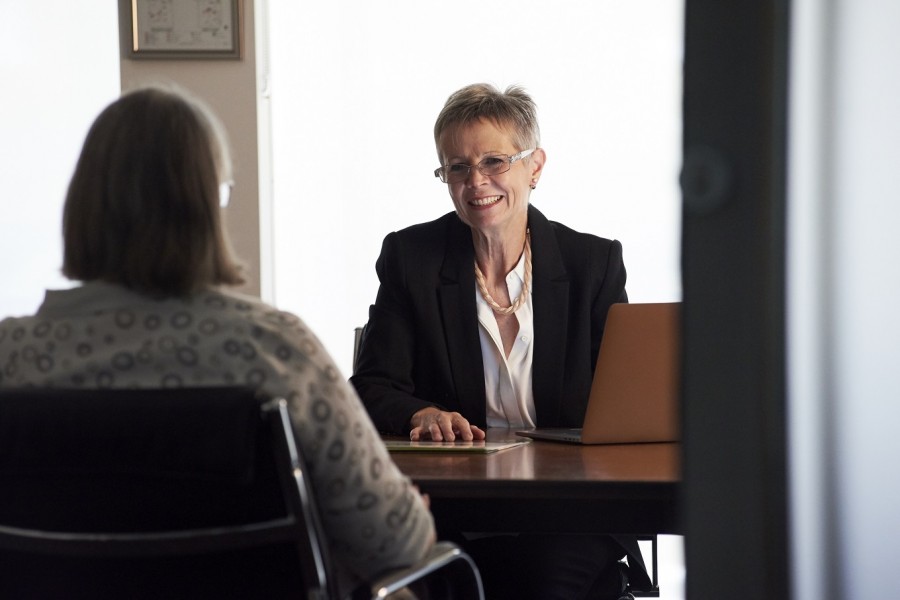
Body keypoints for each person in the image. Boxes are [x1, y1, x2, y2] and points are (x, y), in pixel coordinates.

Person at [0, 86, 435, 599]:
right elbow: (396, 544)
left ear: (81, 205)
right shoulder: (274, 350)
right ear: (208, 205)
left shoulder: (12, 358)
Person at [350, 83, 650, 600]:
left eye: (494, 161)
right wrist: (420, 413)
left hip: (570, 510)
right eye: (458, 167)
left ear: (534, 167)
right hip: (455, 506)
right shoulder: (410, 257)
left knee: (544, 582)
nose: (476, 182)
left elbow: (625, 402)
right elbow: (373, 386)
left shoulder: (592, 263)